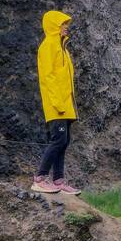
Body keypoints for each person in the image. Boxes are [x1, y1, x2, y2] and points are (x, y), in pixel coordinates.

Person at [31, 10, 80, 195]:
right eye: (62, 24)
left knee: (64, 141)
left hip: (66, 105)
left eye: (66, 24)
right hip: (56, 105)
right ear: (53, 26)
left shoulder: (62, 47)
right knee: (58, 140)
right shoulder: (48, 46)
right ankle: (40, 179)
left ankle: (59, 180)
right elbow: (48, 78)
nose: (66, 27)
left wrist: (68, 105)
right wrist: (58, 103)